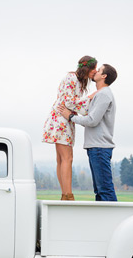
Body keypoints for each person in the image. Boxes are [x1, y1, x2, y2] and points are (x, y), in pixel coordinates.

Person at [59, 63, 118, 201]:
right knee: (99, 189)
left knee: (104, 189)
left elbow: (92, 120)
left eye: (99, 70)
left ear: (104, 76)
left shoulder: (104, 94)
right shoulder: (101, 94)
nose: (95, 71)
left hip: (100, 147)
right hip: (96, 147)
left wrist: (71, 117)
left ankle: (111, 220)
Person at [43, 56, 96, 201]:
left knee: (62, 159)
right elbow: (69, 102)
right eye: (94, 69)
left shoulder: (77, 80)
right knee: (67, 158)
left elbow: (71, 102)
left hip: (63, 119)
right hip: (62, 119)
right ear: (87, 68)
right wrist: (91, 98)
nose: (95, 72)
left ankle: (65, 194)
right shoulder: (71, 78)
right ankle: (68, 195)